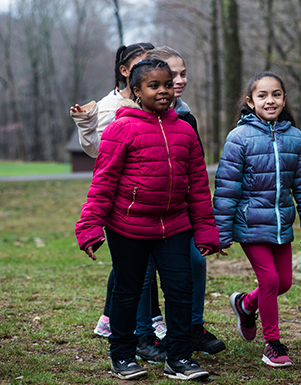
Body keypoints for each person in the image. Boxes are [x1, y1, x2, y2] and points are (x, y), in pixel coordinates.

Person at [75, 59, 219, 381]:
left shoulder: (185, 130)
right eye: (154, 86)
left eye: (167, 84)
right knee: (128, 291)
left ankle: (179, 357)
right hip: (128, 226)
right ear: (137, 91)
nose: (164, 91)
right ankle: (122, 355)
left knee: (181, 288)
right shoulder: (120, 128)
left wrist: (206, 229)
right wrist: (89, 225)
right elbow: (103, 182)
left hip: (174, 226)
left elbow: (197, 185)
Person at [213, 72, 301, 367]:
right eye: (262, 95)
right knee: (270, 280)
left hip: (281, 224)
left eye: (276, 94)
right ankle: (272, 344)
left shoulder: (295, 137)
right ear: (250, 101)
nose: (270, 100)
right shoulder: (239, 138)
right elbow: (226, 189)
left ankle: (246, 304)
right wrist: (220, 234)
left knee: (283, 282)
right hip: (249, 224)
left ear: (284, 99)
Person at [70, 43, 168, 363]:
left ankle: (112, 318)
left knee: (135, 266)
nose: (152, 69)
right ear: (126, 72)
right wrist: (86, 123)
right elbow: (98, 152)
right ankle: (141, 326)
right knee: (135, 268)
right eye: (143, 65)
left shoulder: (159, 102)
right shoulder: (112, 106)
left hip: (151, 198)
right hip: (122, 198)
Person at [141, 46, 226, 355]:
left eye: (183, 74)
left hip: (183, 209)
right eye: (172, 74)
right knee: (144, 272)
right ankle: (143, 333)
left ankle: (193, 326)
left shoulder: (186, 116)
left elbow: (196, 169)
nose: (178, 80)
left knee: (196, 260)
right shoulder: (134, 114)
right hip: (145, 213)